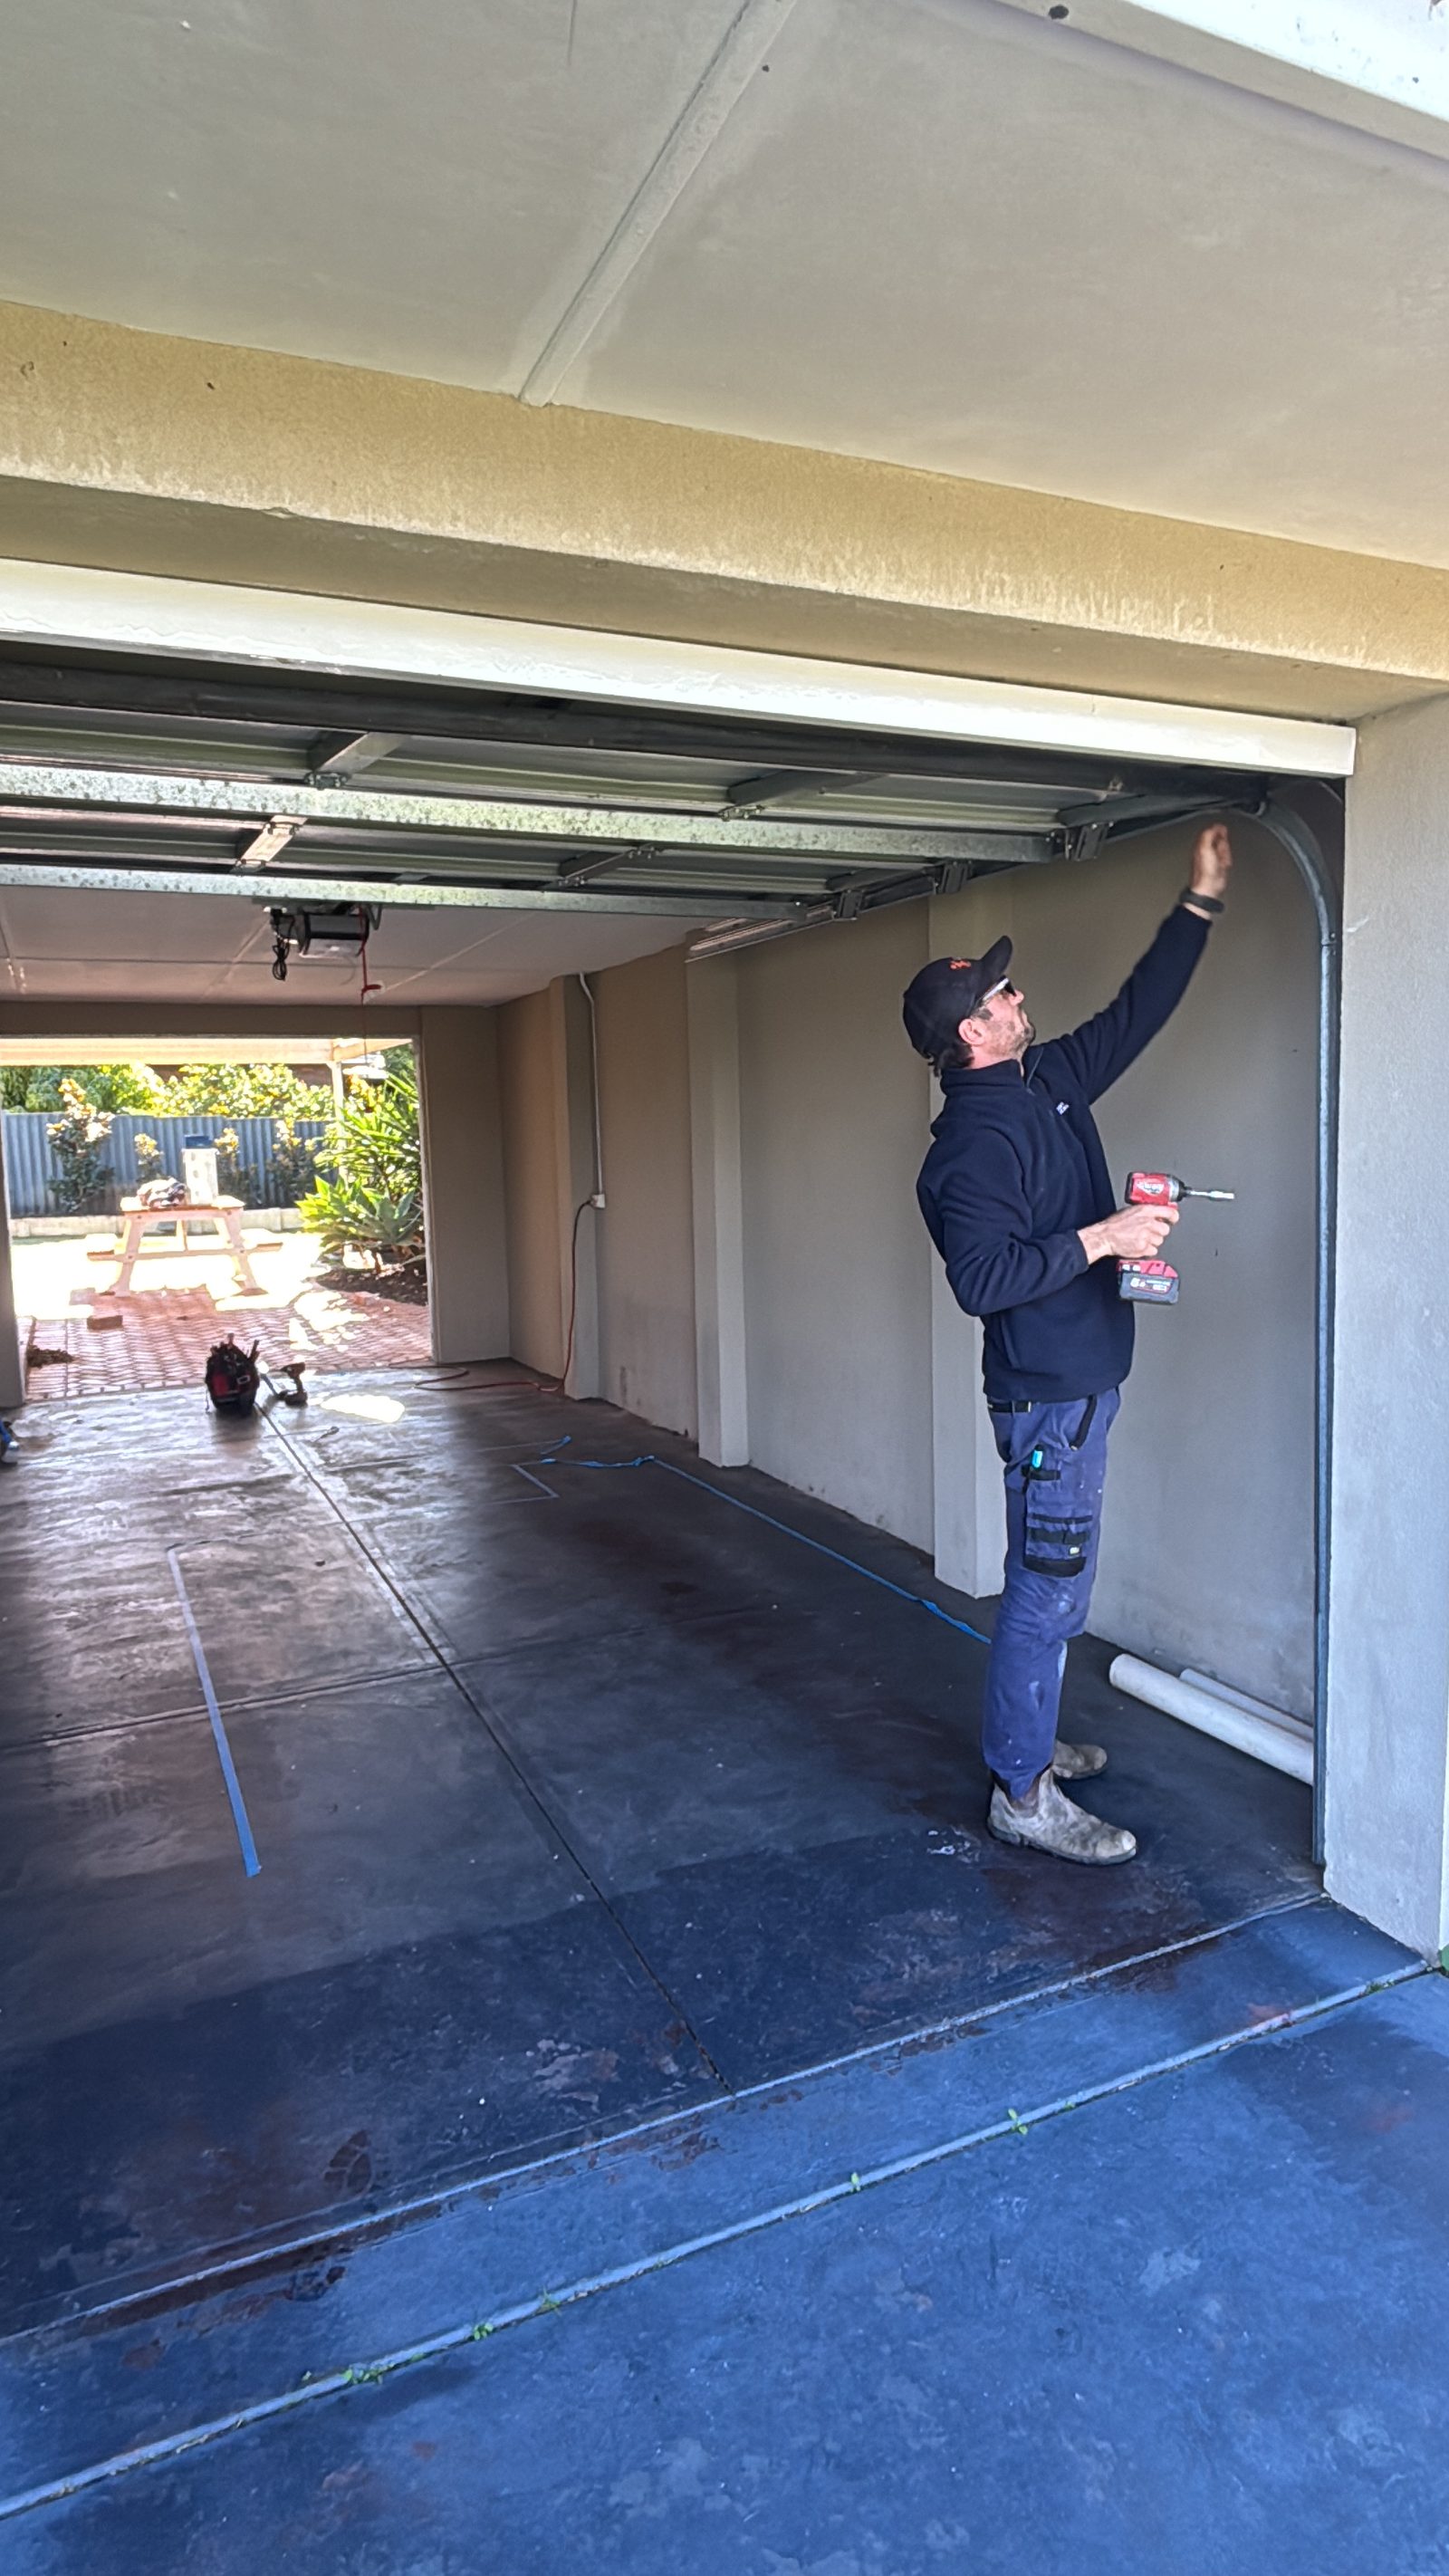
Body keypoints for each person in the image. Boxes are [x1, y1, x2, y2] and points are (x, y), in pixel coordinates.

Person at [904, 823, 1233, 1864]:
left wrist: (1199, 905)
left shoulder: (1046, 1081)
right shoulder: (968, 1147)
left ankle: (1029, 1740)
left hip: (1087, 1381)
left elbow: (1135, 1015)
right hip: (1046, 1396)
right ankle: (1021, 1791)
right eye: (996, 998)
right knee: (1045, 1591)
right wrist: (1104, 1237)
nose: (1013, 997)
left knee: (1064, 1586)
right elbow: (981, 1280)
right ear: (971, 1036)